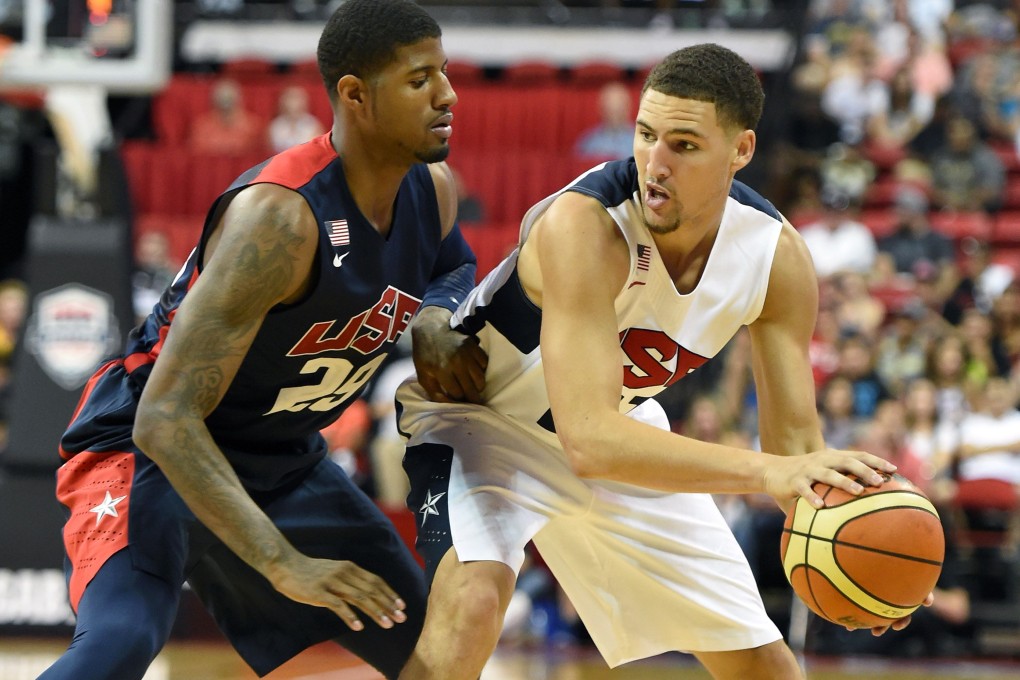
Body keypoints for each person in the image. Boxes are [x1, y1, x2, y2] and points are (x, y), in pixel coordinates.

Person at [396, 44, 914, 680]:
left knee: (766, 668)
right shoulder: (585, 226)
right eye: (645, 135)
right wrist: (772, 474)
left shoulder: (777, 258)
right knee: (474, 606)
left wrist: (856, 549)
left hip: (620, 429)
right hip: (483, 427)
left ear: (741, 150)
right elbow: (588, 439)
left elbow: (795, 446)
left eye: (685, 145)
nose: (654, 163)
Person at [41, 2, 486, 678]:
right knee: (120, 643)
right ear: (356, 96)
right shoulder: (280, 219)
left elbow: (453, 265)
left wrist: (432, 316)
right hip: (149, 452)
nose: (448, 94)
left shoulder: (434, 190)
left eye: (445, 73)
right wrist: (280, 561)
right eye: (421, 78)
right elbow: (165, 418)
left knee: (436, 655)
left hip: (282, 460)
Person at [188, 77, 265, 156]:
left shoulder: (253, 126)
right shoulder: (201, 127)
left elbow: (257, 155)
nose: (226, 103)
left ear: (239, 99)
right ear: (213, 100)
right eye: (222, 99)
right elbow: (198, 154)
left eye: (229, 98)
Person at [573, 81, 636, 161]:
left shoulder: (641, 141)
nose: (614, 110)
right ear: (601, 109)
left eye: (619, 108)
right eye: (610, 108)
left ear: (628, 108)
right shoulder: (588, 142)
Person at [268, 85, 325, 154]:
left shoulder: (314, 126)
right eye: (290, 98)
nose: (293, 104)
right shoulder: (275, 126)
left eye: (297, 98)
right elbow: (270, 151)